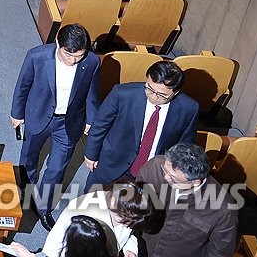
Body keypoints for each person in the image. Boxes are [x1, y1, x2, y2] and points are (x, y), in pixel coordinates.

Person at [11, 23, 101, 227]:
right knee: (28, 160)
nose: (73, 61)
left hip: (69, 122)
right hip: (38, 115)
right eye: (68, 55)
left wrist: (90, 120)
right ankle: (25, 199)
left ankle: (44, 208)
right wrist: (16, 114)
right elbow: (22, 86)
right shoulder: (36, 56)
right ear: (57, 43)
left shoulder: (93, 62)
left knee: (57, 168)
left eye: (78, 56)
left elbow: (92, 95)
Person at [83, 60, 198, 188]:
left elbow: (184, 145)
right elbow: (100, 125)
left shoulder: (189, 109)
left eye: (161, 95)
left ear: (176, 92)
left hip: (151, 174)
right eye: (149, 88)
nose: (153, 97)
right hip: (113, 162)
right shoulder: (122, 94)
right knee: (92, 203)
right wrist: (91, 154)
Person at [135, 143, 238, 257]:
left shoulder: (223, 210)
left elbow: (219, 253)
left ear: (195, 182)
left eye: (173, 178)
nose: (165, 177)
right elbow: (133, 205)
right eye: (165, 169)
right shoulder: (155, 167)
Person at [14, 183, 152, 257]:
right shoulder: (83, 209)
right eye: (124, 219)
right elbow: (55, 245)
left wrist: (131, 249)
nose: (126, 225)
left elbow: (130, 234)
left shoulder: (130, 212)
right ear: (114, 200)